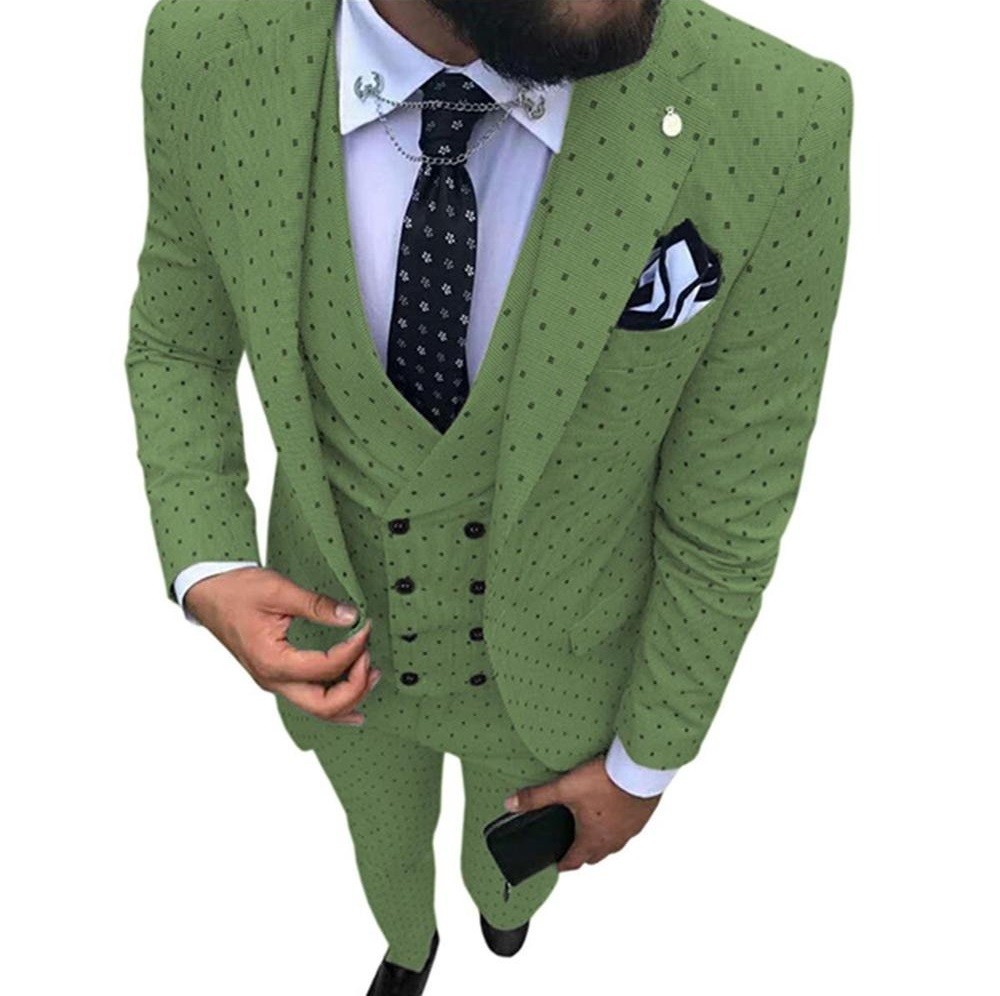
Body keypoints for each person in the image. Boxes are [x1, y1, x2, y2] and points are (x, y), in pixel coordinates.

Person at [125, 0, 853, 991]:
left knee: (510, 866)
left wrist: (646, 761)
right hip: (334, 644)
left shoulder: (778, 116)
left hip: (558, 671)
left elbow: (729, 502)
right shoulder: (204, 47)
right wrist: (207, 559)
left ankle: (500, 916)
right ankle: (406, 943)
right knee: (380, 837)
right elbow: (179, 339)